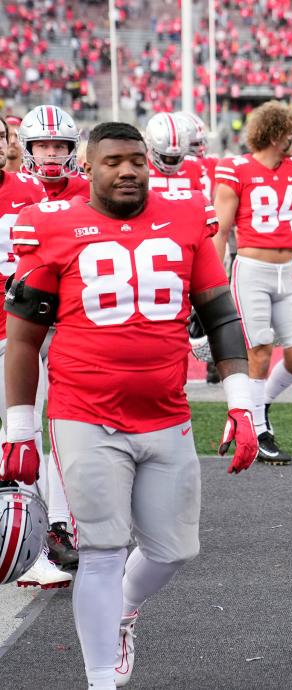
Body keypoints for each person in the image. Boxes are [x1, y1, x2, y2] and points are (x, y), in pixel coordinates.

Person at [0, 121, 258, 690]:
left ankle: (120, 610)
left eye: (136, 160)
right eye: (113, 160)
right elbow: (22, 338)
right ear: (87, 168)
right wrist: (19, 429)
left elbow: (219, 314)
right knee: (100, 549)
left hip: (166, 411)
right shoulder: (53, 225)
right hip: (82, 411)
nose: (127, 170)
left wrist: (242, 404)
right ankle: (99, 680)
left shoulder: (188, 218)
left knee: (172, 550)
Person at [213, 101, 292, 465]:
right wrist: (212, 277)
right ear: (274, 135)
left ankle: (262, 406)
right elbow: (221, 229)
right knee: (258, 350)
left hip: (288, 269)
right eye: (288, 133)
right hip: (252, 267)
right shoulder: (236, 168)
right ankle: (259, 430)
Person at [0, 115, 76, 587]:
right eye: (41, 144)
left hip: (33, 323)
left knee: (30, 429)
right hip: (17, 321)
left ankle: (42, 537)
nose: (50, 153)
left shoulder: (44, 193)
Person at [19, 105, 90, 201]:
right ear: (28, 149)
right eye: (42, 146)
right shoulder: (13, 187)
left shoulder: (90, 187)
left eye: (59, 146)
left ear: (71, 150)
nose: (51, 153)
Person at [144, 112, 207, 195]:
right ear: (151, 147)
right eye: (165, 157)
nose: (171, 161)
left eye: (176, 157)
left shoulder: (194, 166)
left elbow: (204, 203)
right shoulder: (142, 166)